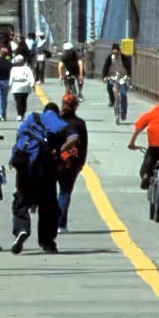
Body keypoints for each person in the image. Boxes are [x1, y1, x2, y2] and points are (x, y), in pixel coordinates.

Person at [10, 102, 76, 254]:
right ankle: (47, 242)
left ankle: (22, 228)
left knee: (21, 200)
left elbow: (19, 136)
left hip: (24, 165)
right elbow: (74, 136)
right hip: (45, 169)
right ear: (56, 112)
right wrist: (59, 151)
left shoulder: (32, 117)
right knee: (48, 206)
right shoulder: (57, 121)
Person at [57, 91, 88, 231]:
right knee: (65, 191)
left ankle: (51, 221)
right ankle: (60, 224)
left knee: (53, 192)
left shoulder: (56, 121)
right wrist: (81, 163)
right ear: (76, 106)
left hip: (53, 159)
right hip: (72, 161)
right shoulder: (79, 123)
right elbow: (83, 145)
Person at [101, 42, 132, 119]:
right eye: (114, 53)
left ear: (119, 51)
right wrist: (104, 76)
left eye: (117, 53)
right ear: (112, 52)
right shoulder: (110, 58)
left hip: (122, 77)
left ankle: (124, 113)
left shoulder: (123, 58)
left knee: (123, 94)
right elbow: (105, 67)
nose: (116, 55)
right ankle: (112, 100)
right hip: (112, 76)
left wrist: (129, 76)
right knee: (109, 87)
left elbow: (128, 67)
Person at [8, 53, 36, 119]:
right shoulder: (27, 68)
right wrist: (32, 85)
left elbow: (11, 78)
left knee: (18, 101)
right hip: (25, 86)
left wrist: (9, 86)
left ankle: (19, 114)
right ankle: (22, 113)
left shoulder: (13, 69)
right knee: (24, 100)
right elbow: (31, 77)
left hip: (16, 86)